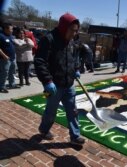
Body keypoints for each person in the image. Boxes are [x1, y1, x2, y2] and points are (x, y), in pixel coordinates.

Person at [34, 13, 84, 145]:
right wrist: (47, 81)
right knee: (50, 111)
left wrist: (76, 69)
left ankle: (75, 136)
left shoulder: (72, 41)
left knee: (73, 111)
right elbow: (39, 61)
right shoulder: (48, 39)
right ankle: (43, 130)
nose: (74, 33)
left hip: (69, 84)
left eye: (76, 30)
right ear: (64, 27)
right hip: (52, 86)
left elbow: (74, 57)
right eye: (72, 30)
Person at [0, 22, 20, 93]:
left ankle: (12, 84)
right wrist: (4, 56)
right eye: (11, 29)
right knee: (4, 73)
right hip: (4, 59)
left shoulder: (11, 36)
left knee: (12, 72)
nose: (12, 30)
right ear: (6, 29)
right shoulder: (1, 36)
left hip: (13, 58)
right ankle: (1, 86)